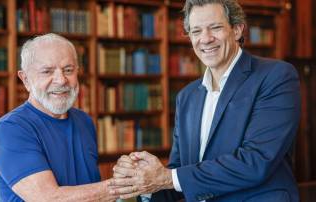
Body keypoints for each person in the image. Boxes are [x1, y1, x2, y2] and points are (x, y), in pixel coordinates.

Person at [109, 0, 301, 201]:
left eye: (215, 28)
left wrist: (166, 177)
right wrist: (141, 181)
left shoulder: (275, 76)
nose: (205, 39)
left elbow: (256, 161)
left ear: (237, 30)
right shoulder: (187, 97)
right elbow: (181, 172)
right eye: (196, 31)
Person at [0, 33, 118, 201]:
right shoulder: (11, 129)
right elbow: (49, 199)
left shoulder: (85, 121)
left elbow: (91, 189)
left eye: (68, 70)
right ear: (25, 79)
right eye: (47, 71)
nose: (61, 80)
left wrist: (127, 172)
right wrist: (124, 186)